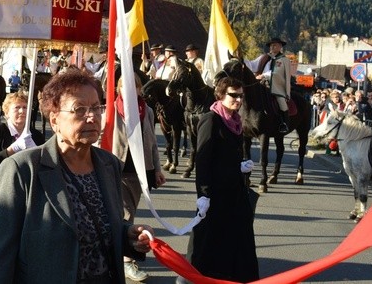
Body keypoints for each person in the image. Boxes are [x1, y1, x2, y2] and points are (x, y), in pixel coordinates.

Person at [0, 69, 154, 284]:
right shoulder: (21, 169)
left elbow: (104, 225)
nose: (91, 116)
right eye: (79, 109)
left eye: (96, 107)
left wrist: (129, 236)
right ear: (54, 120)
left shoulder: (109, 165)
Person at [179, 77, 258, 283]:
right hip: (214, 192)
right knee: (206, 237)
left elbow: (227, 155)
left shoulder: (236, 120)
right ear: (221, 94)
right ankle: (191, 276)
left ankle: (235, 276)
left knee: (239, 234)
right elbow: (203, 160)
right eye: (233, 95)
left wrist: (240, 165)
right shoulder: (210, 119)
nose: (238, 100)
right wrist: (203, 194)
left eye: (240, 96)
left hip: (235, 189)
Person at [112, 75, 165, 282]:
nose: (130, 91)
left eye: (134, 87)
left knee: (127, 212)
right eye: (125, 87)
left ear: (140, 89)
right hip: (114, 166)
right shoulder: (111, 109)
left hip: (137, 170)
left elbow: (152, 143)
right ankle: (126, 260)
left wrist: (158, 169)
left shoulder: (148, 111)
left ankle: (119, 254)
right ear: (118, 89)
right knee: (123, 213)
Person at [0, 91, 45, 226]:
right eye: (17, 107)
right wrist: (13, 149)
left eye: (25, 107)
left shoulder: (36, 135)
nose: (22, 111)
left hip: (29, 198)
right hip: (1, 194)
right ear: (7, 112)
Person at [247, 37, 292, 133]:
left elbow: (278, 73)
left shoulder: (284, 60)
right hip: (260, 84)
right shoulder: (264, 57)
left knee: (281, 102)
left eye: (275, 45)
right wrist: (243, 60)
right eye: (271, 45)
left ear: (280, 46)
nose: (272, 46)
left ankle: (284, 123)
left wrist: (264, 75)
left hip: (275, 86)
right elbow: (252, 65)